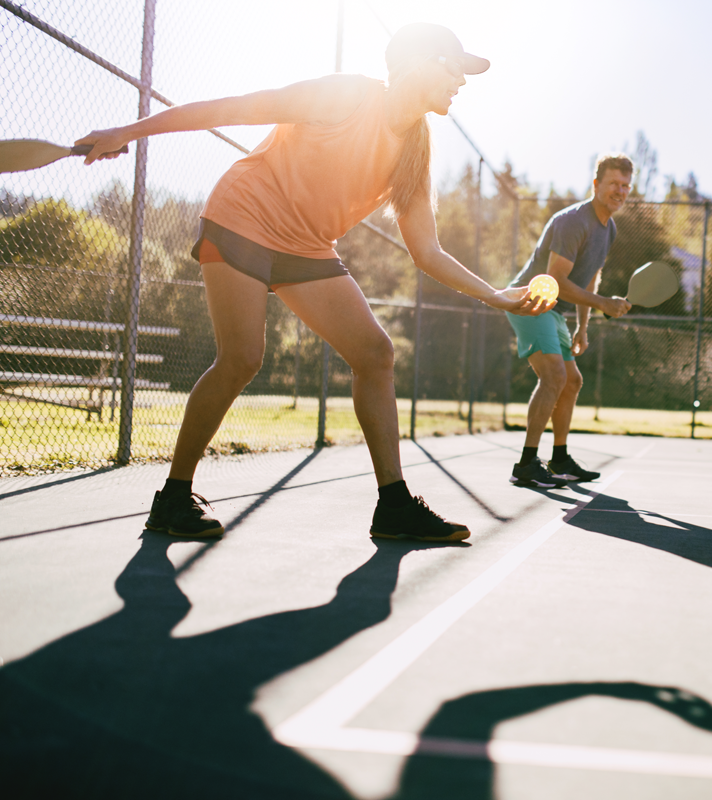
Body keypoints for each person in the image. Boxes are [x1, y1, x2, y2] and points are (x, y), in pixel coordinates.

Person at [77, 23, 552, 543]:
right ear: (421, 63)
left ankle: (393, 506)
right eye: (455, 68)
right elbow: (234, 107)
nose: (462, 81)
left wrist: (496, 295)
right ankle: (172, 497)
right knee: (242, 358)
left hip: (304, 244)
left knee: (375, 353)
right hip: (245, 214)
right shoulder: (349, 95)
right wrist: (128, 131)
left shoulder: (415, 149)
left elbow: (428, 252)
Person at [504, 155, 633, 488]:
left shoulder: (609, 228)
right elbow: (556, 280)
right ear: (596, 185)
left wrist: (583, 325)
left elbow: (589, 278)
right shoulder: (574, 221)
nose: (619, 191)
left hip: (554, 310)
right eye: (613, 184)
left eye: (624, 186)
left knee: (572, 382)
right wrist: (604, 304)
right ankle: (527, 464)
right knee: (554, 376)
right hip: (529, 302)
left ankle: (559, 459)